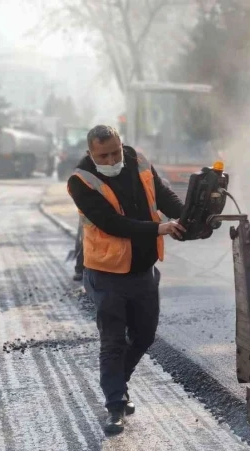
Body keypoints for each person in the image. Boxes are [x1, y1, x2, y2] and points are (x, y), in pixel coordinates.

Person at [67, 125, 187, 434]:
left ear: (122, 145)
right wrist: (160, 228)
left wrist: (188, 218)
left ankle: (118, 384)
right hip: (107, 275)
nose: (111, 160)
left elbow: (163, 196)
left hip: (142, 270)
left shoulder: (138, 161)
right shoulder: (80, 182)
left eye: (115, 152)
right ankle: (115, 406)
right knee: (113, 341)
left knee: (145, 334)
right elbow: (112, 224)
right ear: (90, 154)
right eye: (102, 155)